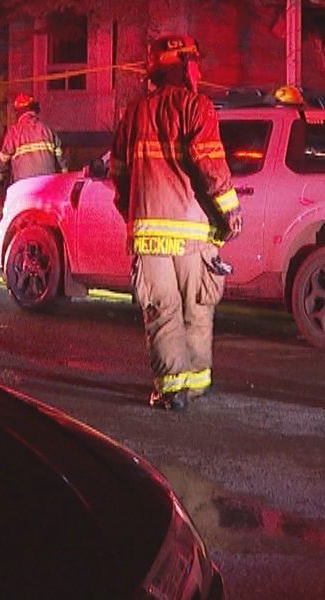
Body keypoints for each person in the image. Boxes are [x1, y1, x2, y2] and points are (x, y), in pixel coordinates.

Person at [110, 34, 242, 412]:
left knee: (162, 311)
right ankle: (197, 383)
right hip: (194, 235)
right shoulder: (197, 107)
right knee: (197, 308)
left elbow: (119, 178)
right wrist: (229, 211)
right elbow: (211, 164)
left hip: (150, 237)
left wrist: (135, 215)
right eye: (194, 62)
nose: (199, 69)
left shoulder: (133, 114)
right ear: (183, 67)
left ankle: (173, 391)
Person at [0, 93, 64, 185]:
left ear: (18, 113)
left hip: (23, 188)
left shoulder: (14, 133)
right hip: (48, 186)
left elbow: (3, 159)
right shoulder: (47, 130)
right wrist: (64, 173)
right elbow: (61, 159)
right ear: (33, 110)